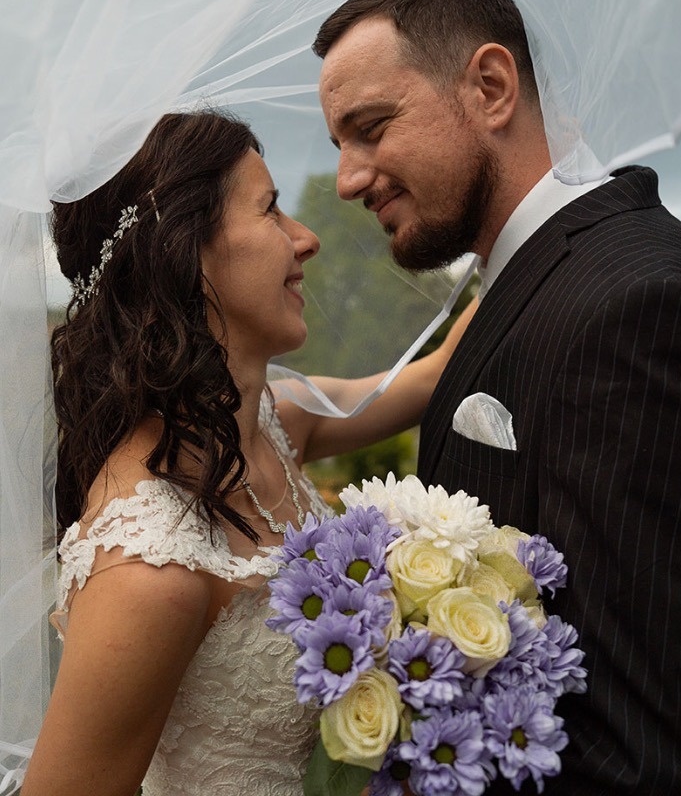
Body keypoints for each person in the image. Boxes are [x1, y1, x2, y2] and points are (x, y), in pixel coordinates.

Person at [314, 0, 681, 795]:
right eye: (339, 145)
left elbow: (642, 747)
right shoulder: (533, 281)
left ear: (491, 88)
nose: (349, 179)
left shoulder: (636, 305)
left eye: (371, 127)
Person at [20, 110, 477, 796]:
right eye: (270, 211)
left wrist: (532, 211)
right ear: (186, 253)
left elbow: (433, 374)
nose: (307, 238)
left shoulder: (277, 420)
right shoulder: (149, 567)